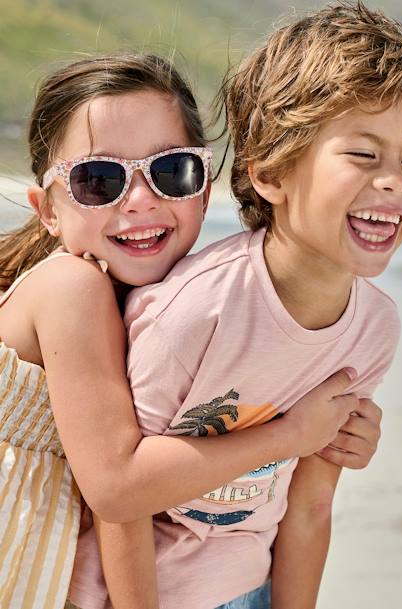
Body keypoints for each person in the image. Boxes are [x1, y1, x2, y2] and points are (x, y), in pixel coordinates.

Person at [0, 52, 381, 609]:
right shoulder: (71, 289)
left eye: (170, 171)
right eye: (98, 180)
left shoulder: (169, 303)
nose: (139, 200)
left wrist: (342, 430)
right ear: (48, 210)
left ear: (203, 189)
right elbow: (116, 486)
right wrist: (294, 436)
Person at [116, 2, 402, 608]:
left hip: (252, 587)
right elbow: (121, 497)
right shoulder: (195, 311)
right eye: (364, 155)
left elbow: (313, 504)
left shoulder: (374, 328)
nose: (396, 180)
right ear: (271, 173)